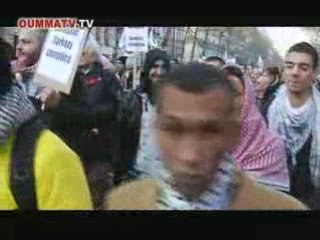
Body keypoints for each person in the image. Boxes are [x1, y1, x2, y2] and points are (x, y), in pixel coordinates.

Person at [105, 63, 306, 210]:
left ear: (234, 134)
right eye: (174, 130)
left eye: (209, 131)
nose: (190, 155)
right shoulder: (122, 201)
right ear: (155, 129)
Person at [0, 31, 92, 210]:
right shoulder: (17, 76)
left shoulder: (71, 78)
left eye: (26, 42)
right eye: (18, 42)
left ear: (45, 48)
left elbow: (89, 117)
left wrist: (59, 105)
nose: (19, 47)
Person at [44, 34, 119, 209]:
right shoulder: (62, 77)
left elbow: (106, 113)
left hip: (96, 154)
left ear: (93, 54)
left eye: (83, 50)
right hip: (67, 151)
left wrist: (62, 106)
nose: (78, 54)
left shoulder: (107, 79)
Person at [268, 42, 320, 209]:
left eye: (303, 68)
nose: (295, 72)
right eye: (289, 66)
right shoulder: (268, 108)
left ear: (314, 73)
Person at [222, 64, 289, 192]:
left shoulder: (270, 146)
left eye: (234, 92)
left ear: (247, 95)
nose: (227, 99)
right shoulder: (203, 139)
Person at [130, 48, 171, 179]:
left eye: (163, 67)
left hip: (165, 178)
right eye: (155, 67)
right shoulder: (134, 100)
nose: (159, 72)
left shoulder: (176, 103)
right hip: (136, 174)